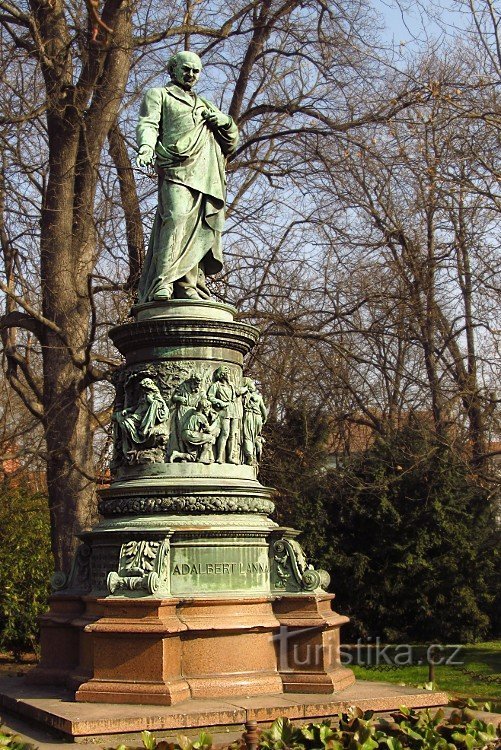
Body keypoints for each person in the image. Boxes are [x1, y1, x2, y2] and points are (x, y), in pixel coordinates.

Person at [136, 51, 239, 302]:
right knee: (176, 218)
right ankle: (163, 282)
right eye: (186, 69)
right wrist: (146, 147)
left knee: (200, 227)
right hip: (176, 167)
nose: (191, 74)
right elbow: (148, 124)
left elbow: (231, 143)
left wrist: (225, 121)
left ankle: (188, 285)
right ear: (172, 69)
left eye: (196, 71)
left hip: (205, 174)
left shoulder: (205, 105)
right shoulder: (159, 94)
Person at [113, 378, 170, 463]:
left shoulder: (155, 395)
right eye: (143, 388)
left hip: (146, 418)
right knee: (122, 421)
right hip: (138, 416)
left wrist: (151, 401)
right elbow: (137, 407)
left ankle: (137, 443)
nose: (143, 390)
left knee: (126, 423)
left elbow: (162, 407)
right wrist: (128, 410)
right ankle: (132, 446)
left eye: (145, 388)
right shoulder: (143, 396)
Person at [207, 366, 246, 464]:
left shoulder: (231, 385)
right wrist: (219, 402)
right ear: (222, 375)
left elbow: (237, 392)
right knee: (225, 433)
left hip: (233, 410)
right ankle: (220, 457)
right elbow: (210, 397)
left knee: (232, 434)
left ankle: (229, 457)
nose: (229, 375)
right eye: (227, 373)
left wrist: (246, 388)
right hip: (224, 411)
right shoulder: (217, 385)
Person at [241, 378, 268, 466]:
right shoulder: (259, 397)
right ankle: (254, 453)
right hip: (258, 417)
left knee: (248, 437)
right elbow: (263, 409)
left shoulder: (244, 395)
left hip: (249, 415)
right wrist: (264, 418)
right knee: (254, 437)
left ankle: (250, 456)